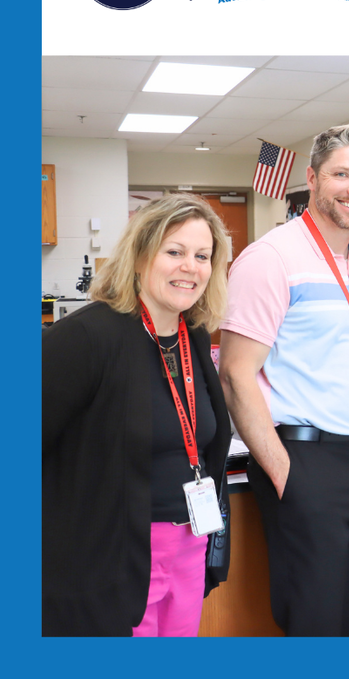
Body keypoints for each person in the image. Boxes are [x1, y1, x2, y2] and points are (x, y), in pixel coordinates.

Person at [218, 124, 349, 637]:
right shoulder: (271, 258)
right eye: (342, 174)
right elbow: (236, 375)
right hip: (306, 461)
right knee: (314, 621)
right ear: (311, 178)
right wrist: (287, 474)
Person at [42, 193, 233, 636]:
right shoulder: (88, 337)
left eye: (202, 256)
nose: (191, 267)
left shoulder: (194, 336)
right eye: (175, 252)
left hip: (190, 545)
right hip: (111, 554)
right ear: (141, 256)